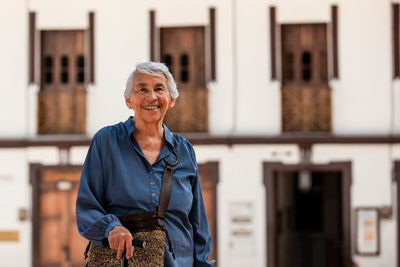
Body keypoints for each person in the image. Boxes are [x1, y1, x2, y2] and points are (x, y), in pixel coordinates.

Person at [75, 61, 215, 266]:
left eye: (159, 89)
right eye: (142, 89)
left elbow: (198, 222)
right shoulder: (106, 141)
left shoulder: (185, 151)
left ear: (171, 99)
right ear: (128, 101)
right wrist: (111, 227)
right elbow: (87, 207)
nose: (151, 97)